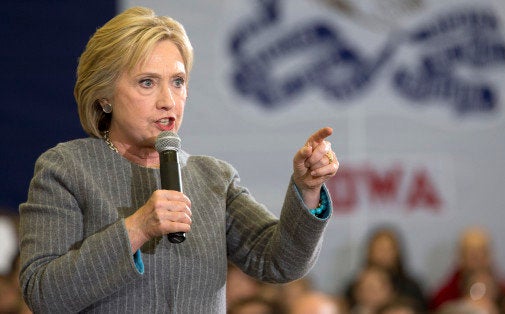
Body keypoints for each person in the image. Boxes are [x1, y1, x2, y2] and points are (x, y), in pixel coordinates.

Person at [18, 6, 339, 313]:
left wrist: (307, 189)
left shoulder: (213, 177)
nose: (168, 101)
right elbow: (45, 295)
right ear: (104, 96)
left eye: (178, 82)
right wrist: (138, 228)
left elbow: (280, 262)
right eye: (147, 82)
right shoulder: (66, 169)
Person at [429, 226, 505, 310]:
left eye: (482, 253)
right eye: (472, 254)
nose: (478, 259)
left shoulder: (504, 292)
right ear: (461, 257)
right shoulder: (445, 296)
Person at [345, 226, 428, 312]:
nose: (383, 254)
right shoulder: (353, 285)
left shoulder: (411, 288)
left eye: (388, 249)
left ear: (391, 291)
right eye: (379, 249)